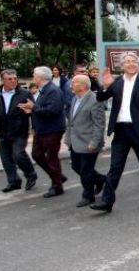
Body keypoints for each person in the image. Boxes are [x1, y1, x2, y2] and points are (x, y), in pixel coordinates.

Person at [90, 53, 139, 213]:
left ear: (138, 64)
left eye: (133, 61)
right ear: (122, 66)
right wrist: (106, 85)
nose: (130, 64)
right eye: (127, 62)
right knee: (115, 166)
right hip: (121, 130)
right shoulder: (117, 82)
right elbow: (100, 98)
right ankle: (107, 201)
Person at [17, 66, 67, 198]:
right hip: (42, 129)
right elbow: (41, 109)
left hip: (52, 129)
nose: (33, 77)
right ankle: (58, 176)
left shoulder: (52, 91)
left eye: (34, 75)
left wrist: (34, 107)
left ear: (39, 77)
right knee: (37, 154)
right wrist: (32, 111)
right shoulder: (44, 90)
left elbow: (52, 110)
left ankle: (57, 186)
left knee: (51, 157)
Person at [64, 75, 106, 207]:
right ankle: (100, 179)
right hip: (75, 141)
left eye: (74, 83)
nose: (71, 85)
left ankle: (88, 195)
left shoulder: (95, 100)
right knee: (76, 166)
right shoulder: (75, 99)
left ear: (82, 86)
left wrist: (94, 142)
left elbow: (99, 124)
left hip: (89, 141)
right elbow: (72, 122)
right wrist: (68, 138)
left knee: (86, 170)